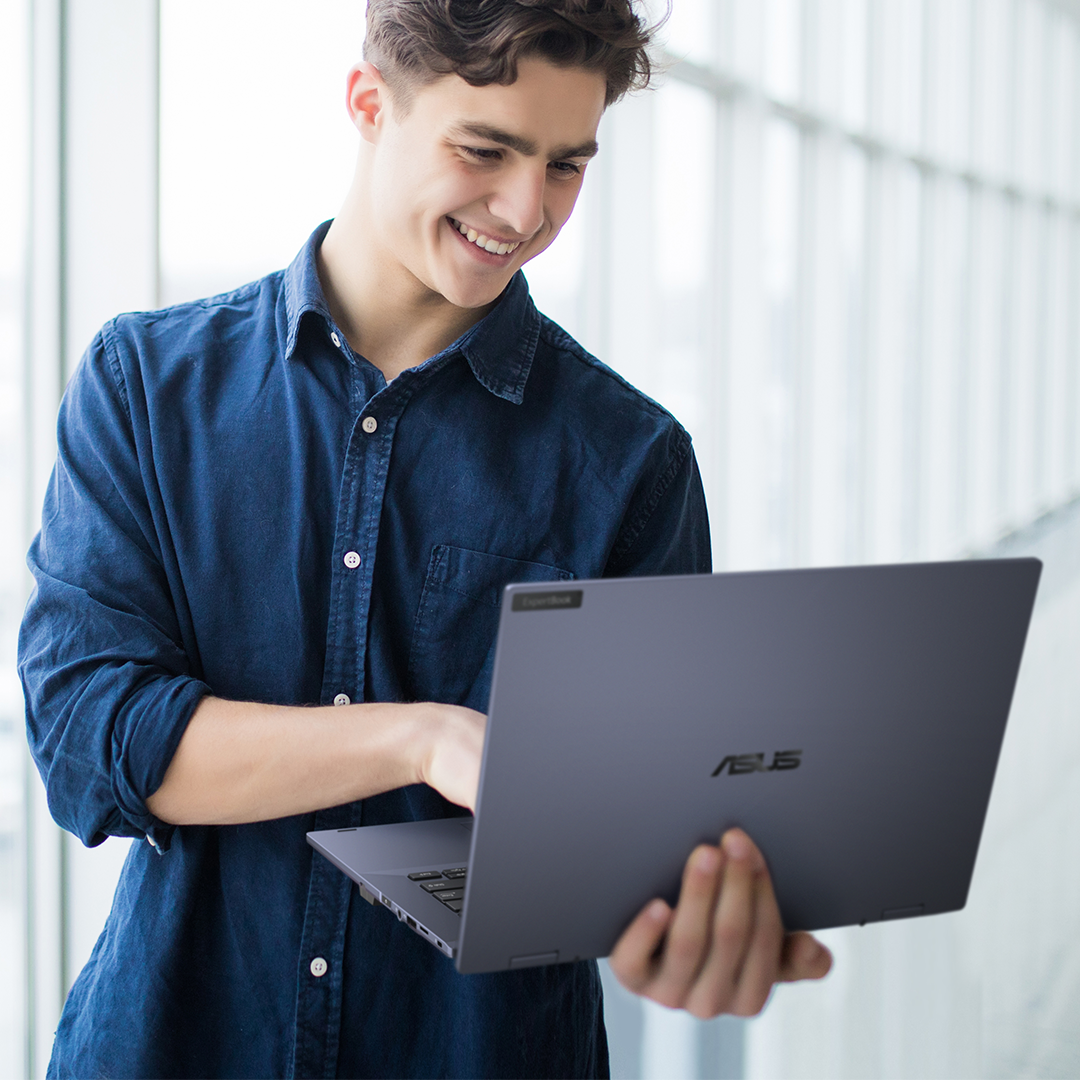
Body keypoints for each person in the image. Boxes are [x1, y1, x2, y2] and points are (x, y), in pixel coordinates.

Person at [19, 1, 832, 1076]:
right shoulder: (148, 388)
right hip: (176, 1043)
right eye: (485, 150)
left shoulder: (631, 462)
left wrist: (687, 926)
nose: (524, 208)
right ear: (368, 104)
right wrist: (422, 738)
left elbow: (646, 837)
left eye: (565, 166)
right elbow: (91, 738)